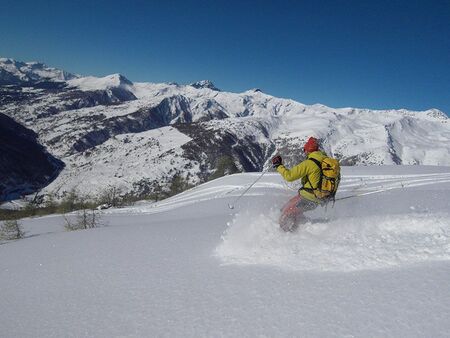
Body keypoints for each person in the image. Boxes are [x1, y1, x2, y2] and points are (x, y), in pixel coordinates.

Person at [271, 136, 327, 231]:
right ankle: (303, 227)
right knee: (287, 207)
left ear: (307, 150)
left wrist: (278, 165)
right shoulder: (326, 162)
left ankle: (285, 237)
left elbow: (289, 176)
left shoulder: (309, 163)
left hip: (309, 197)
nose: (304, 152)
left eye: (304, 150)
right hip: (320, 198)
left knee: (285, 215)